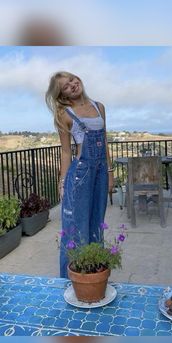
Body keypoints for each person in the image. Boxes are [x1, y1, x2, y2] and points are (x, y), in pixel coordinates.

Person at [45, 71, 114, 278]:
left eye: (73, 80)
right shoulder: (64, 114)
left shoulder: (99, 106)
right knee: (75, 225)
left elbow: (105, 140)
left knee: (96, 222)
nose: (73, 85)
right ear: (63, 95)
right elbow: (66, 152)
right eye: (66, 86)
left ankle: (93, 274)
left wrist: (110, 173)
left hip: (101, 173)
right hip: (80, 174)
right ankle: (69, 281)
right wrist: (62, 183)